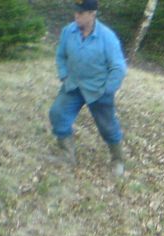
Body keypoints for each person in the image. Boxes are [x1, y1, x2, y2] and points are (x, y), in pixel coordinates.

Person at [49, 0, 127, 176]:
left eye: (81, 13)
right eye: (75, 12)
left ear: (92, 14)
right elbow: (61, 55)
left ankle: (117, 159)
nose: (76, 15)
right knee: (57, 114)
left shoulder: (107, 37)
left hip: (98, 89)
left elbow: (118, 68)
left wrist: (107, 90)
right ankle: (67, 155)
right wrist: (63, 74)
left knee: (107, 126)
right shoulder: (68, 31)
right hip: (73, 85)